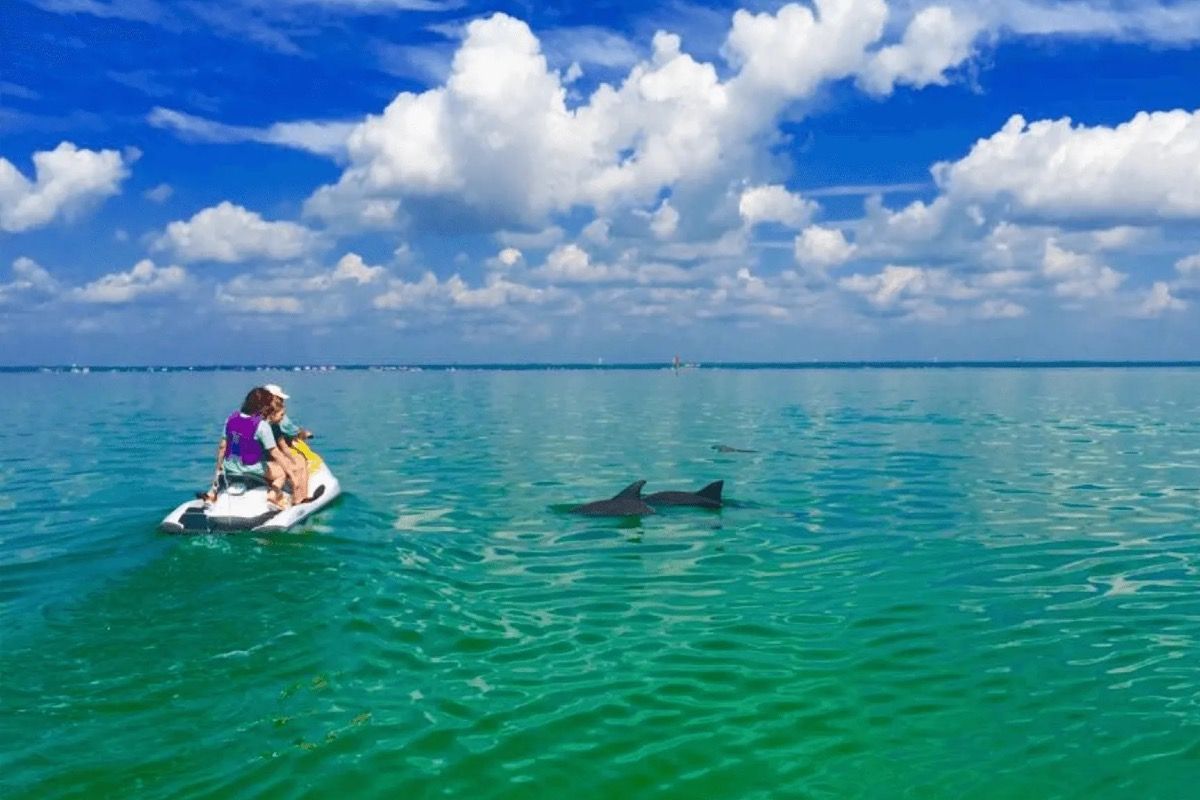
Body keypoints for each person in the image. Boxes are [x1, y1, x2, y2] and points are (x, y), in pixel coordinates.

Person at [205, 387, 294, 510]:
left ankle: (212, 495)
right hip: (253, 469)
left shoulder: (231, 419)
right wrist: (291, 473)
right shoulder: (262, 426)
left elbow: (222, 447)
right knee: (280, 473)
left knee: (221, 473)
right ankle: (272, 497)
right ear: (263, 407)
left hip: (230, 467)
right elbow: (276, 453)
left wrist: (218, 468)